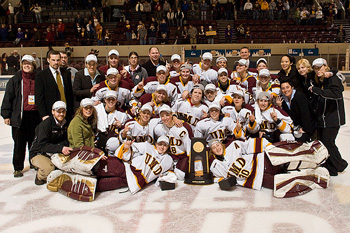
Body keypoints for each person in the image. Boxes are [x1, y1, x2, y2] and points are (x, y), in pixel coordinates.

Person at [209, 138, 330, 198]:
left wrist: (271, 148)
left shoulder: (234, 146)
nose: (217, 148)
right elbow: (216, 179)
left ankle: (313, 153)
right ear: (212, 151)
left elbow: (251, 144)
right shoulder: (215, 166)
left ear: (222, 144)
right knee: (281, 185)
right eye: (214, 148)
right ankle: (315, 177)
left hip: (263, 162)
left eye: (218, 145)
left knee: (287, 159)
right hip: (257, 180)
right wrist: (221, 181)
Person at [1, 55, 41, 177]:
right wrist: (6, 115)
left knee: (34, 142)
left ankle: (33, 162)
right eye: (24, 64)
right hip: (20, 116)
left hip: (34, 115)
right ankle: (18, 167)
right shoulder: (16, 79)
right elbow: (8, 97)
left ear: (33, 65)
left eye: (29, 64)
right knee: (19, 143)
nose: (26, 66)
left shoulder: (38, 78)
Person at [309, 58, 347, 176]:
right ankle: (333, 165)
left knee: (328, 142)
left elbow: (337, 94)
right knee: (325, 142)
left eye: (320, 67)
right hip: (324, 118)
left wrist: (317, 91)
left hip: (333, 118)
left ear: (326, 66)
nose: (317, 70)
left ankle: (339, 165)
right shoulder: (321, 79)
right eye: (315, 68)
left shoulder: (332, 79)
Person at [29, 101, 71, 185]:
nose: (61, 114)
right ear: (53, 111)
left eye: (63, 111)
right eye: (58, 111)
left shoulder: (66, 122)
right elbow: (42, 145)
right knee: (49, 168)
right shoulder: (45, 125)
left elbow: (68, 139)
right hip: (39, 152)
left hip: (55, 150)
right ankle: (40, 176)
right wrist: (61, 148)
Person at [154, 105, 192, 180]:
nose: (165, 118)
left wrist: (189, 160)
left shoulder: (181, 129)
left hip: (182, 156)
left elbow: (188, 146)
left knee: (180, 176)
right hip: (169, 156)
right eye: (162, 116)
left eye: (167, 115)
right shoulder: (158, 128)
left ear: (172, 115)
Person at [94, 90, 130, 155]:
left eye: (113, 99)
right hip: (96, 139)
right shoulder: (97, 110)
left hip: (110, 142)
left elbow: (124, 131)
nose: (111, 101)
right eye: (108, 99)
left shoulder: (121, 115)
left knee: (113, 143)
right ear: (105, 100)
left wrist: (120, 126)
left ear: (116, 100)